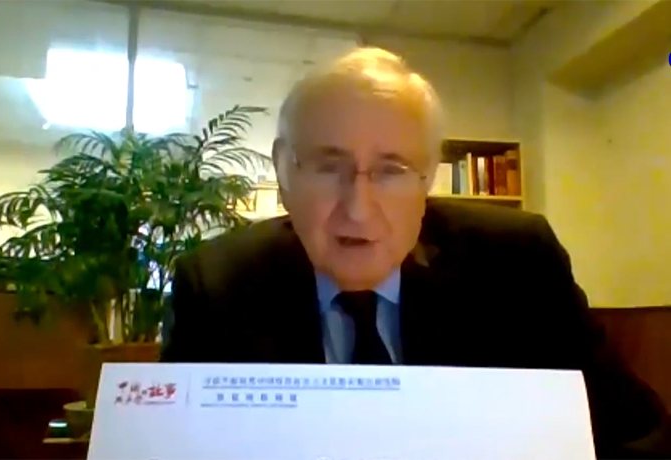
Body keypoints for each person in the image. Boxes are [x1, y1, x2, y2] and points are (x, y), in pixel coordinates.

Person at [162, 47, 670, 459]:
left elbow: (639, 432)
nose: (358, 209)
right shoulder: (216, 286)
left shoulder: (517, 263)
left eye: (392, 170)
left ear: (428, 179)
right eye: (328, 166)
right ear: (283, 170)